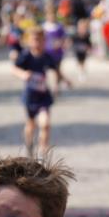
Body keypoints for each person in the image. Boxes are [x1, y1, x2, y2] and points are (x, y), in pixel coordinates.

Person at [12, 27, 71, 156]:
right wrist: (22, 74)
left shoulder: (47, 56)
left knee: (45, 124)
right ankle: (29, 146)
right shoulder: (26, 55)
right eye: (34, 40)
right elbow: (14, 69)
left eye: (40, 40)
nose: (37, 43)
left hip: (43, 95)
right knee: (31, 125)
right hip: (30, 96)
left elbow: (56, 70)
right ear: (29, 41)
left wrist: (65, 80)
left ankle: (42, 153)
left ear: (44, 41)